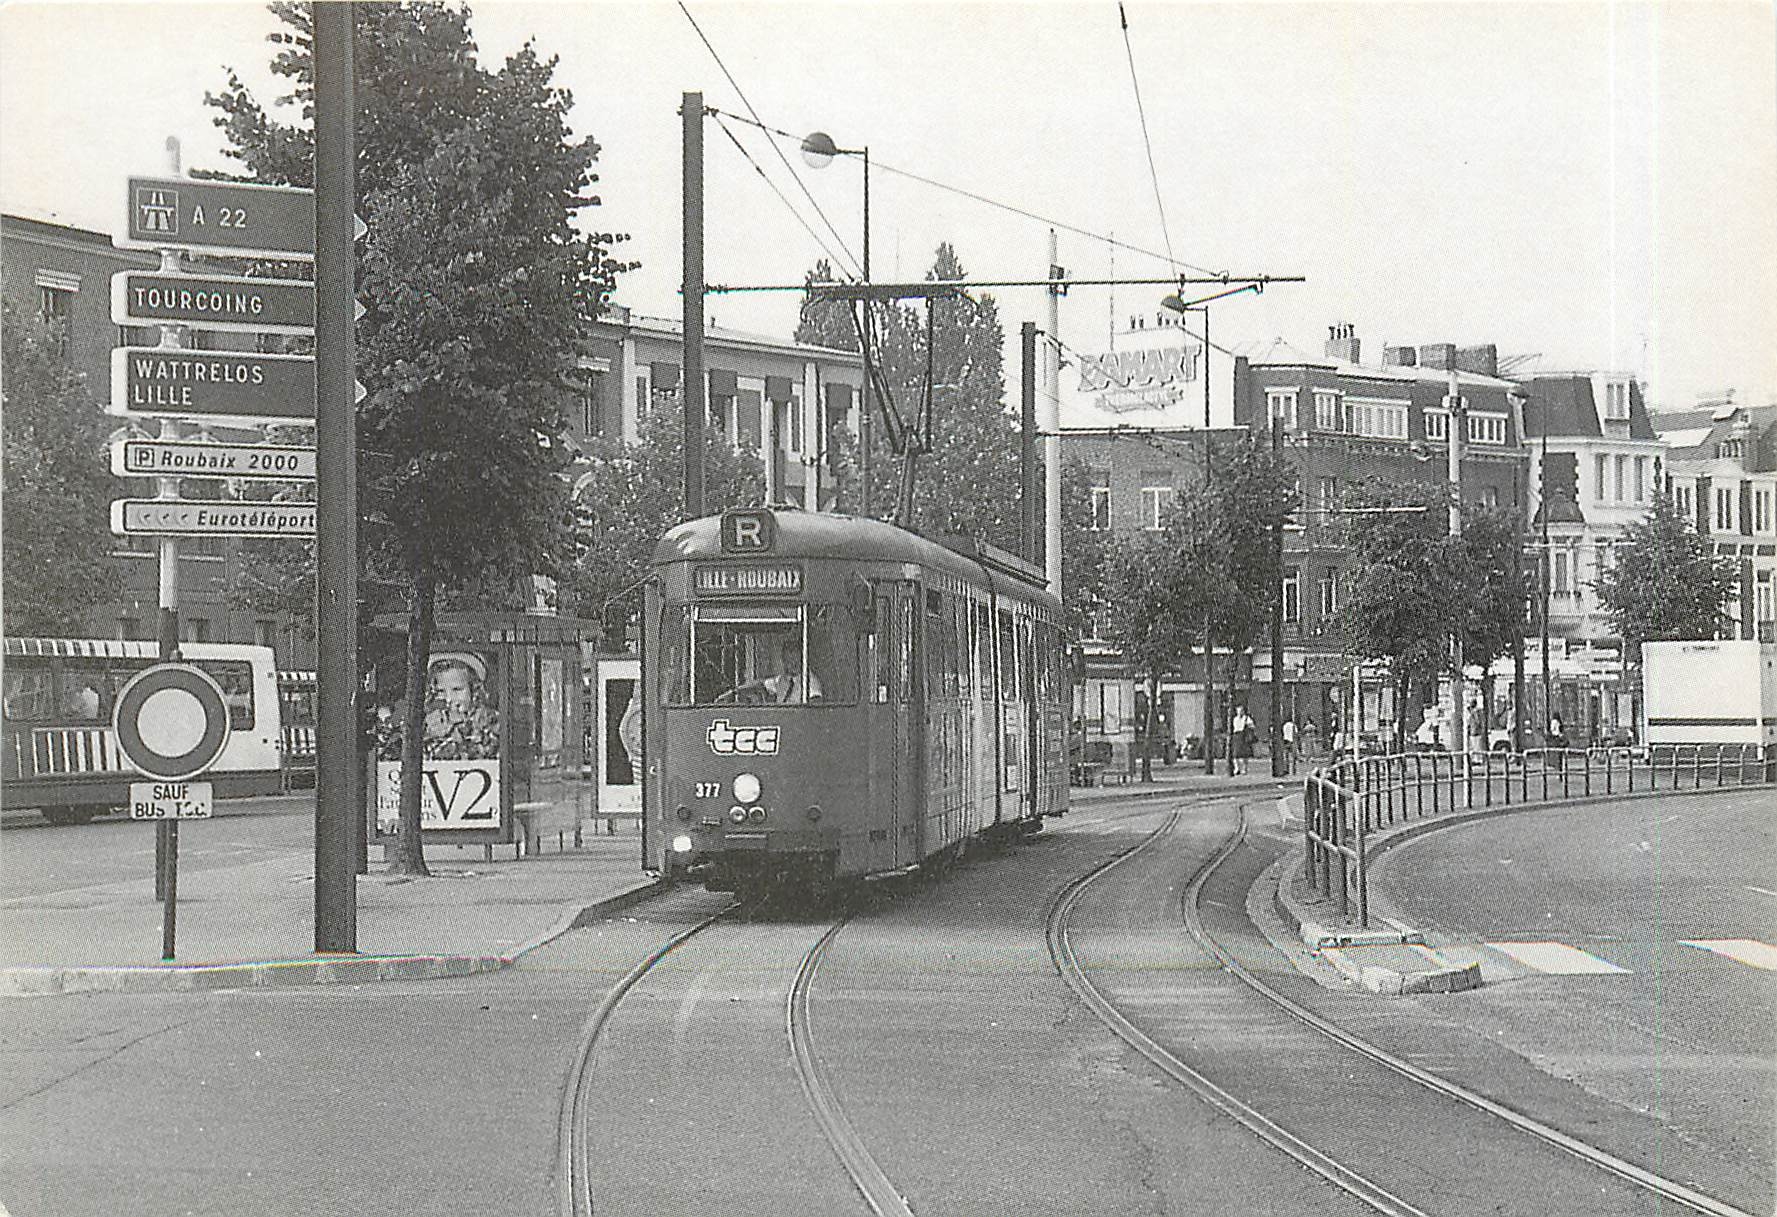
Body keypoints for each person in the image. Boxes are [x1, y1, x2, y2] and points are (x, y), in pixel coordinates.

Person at [424, 652, 500, 759]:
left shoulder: (492, 721)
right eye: (441, 691)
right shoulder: (428, 724)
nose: (449, 699)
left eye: (457, 690)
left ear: (474, 689)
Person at [764, 639, 823, 704]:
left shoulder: (811, 682)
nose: (790, 664)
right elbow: (763, 684)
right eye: (787, 660)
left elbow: (815, 706)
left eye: (794, 660)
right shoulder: (781, 680)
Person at [1230, 706, 1255, 775]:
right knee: (1235, 754)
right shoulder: (1235, 719)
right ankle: (1237, 768)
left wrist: (1248, 725)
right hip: (1236, 736)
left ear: (1243, 711)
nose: (1239, 713)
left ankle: (1244, 769)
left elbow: (1252, 726)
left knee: (1244, 754)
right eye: (1238, 711)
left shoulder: (1247, 718)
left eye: (1241, 711)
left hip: (1244, 736)